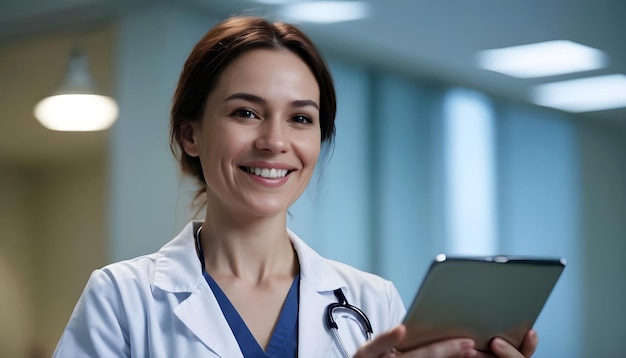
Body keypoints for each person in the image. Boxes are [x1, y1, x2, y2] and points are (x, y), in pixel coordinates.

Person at [52, 16, 539, 358]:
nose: (275, 142)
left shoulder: (372, 302)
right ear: (191, 133)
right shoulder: (122, 298)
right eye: (246, 112)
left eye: (301, 118)